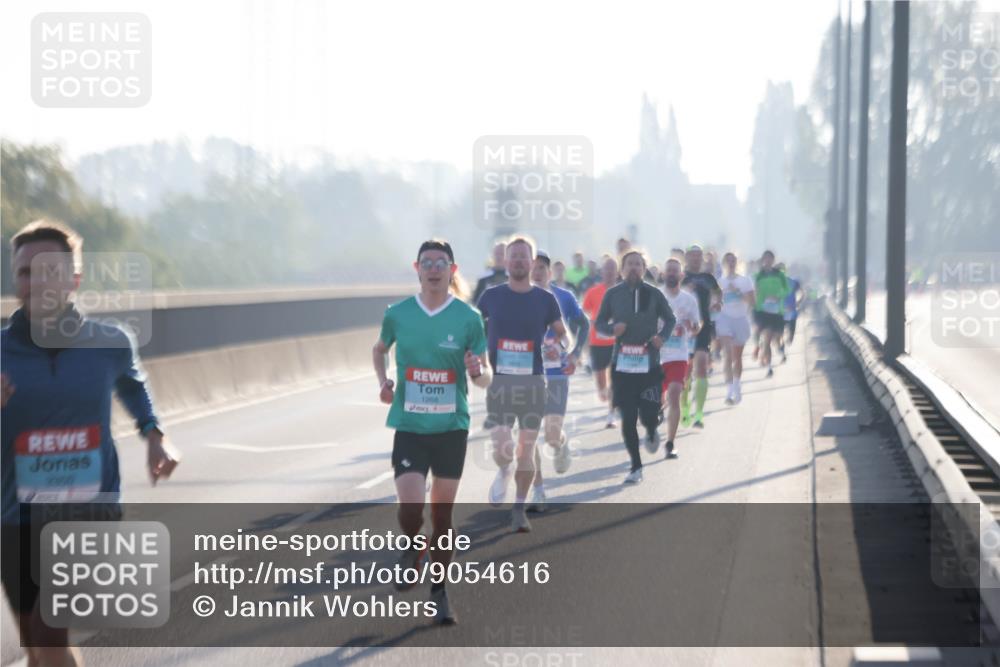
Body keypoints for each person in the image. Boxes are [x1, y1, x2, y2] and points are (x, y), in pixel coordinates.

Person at [2, 220, 180, 666]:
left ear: (74, 279)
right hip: (13, 513)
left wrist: (154, 436)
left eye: (49, 271)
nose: (36, 282)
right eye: (26, 272)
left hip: (88, 508)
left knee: (48, 629)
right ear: (14, 279)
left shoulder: (109, 342)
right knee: (37, 645)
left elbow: (134, 387)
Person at [373, 239, 491, 625]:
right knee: (409, 506)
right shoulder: (398, 314)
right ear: (417, 268)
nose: (435, 268)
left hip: (450, 428)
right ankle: (411, 547)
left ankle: (439, 592)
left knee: (442, 518)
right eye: (428, 262)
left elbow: (486, 376)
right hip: (409, 425)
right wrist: (384, 379)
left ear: (453, 270)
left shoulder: (468, 318)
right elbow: (380, 349)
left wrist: (477, 372)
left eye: (442, 262)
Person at [477, 238, 567, 533]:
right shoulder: (491, 296)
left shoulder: (545, 299)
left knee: (525, 450)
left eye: (523, 257)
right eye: (513, 256)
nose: (517, 261)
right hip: (500, 382)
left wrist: (561, 347)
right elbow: (473, 328)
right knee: (504, 449)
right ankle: (504, 469)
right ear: (505, 262)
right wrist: (474, 356)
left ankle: (519, 508)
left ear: (532, 263)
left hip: (532, 382)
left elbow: (563, 335)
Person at [594, 249, 675, 484]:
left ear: (644, 268)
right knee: (628, 417)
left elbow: (670, 319)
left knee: (648, 415)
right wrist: (611, 330)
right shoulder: (613, 294)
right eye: (629, 264)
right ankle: (636, 467)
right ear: (622, 269)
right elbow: (599, 322)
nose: (634, 268)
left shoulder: (654, 294)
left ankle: (651, 430)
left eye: (638, 264)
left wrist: (662, 337)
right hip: (622, 366)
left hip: (649, 365)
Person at [527, 252, 589, 512]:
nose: (537, 272)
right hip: (528, 374)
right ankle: (538, 490)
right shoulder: (518, 298)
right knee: (528, 435)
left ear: (549, 272)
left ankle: (560, 443)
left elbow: (583, 325)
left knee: (550, 435)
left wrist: (574, 354)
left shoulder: (563, 297)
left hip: (556, 374)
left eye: (541, 268)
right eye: (533, 267)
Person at [659, 259, 700, 458]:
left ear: (681, 275)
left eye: (676, 271)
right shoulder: (655, 296)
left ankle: (670, 442)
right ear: (663, 274)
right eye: (669, 271)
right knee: (654, 400)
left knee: (674, 394)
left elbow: (697, 325)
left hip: (679, 354)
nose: (672, 274)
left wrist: (693, 327)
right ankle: (658, 410)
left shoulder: (689, 299)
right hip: (656, 355)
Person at [680, 245, 721, 428]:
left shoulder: (708, 278)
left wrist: (717, 302)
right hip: (684, 329)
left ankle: (699, 414)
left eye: (699, 256)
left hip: (703, 326)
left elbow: (718, 293)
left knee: (702, 368)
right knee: (685, 373)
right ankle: (685, 409)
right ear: (686, 258)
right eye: (692, 256)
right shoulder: (681, 277)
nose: (696, 259)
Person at [582, 258, 620, 428]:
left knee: (615, 378)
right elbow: (585, 311)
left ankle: (611, 413)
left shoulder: (623, 291)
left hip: (618, 341)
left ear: (617, 272)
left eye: (613, 269)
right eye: (607, 269)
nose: (610, 272)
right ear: (602, 272)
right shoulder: (593, 291)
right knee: (601, 383)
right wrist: (592, 322)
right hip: (597, 341)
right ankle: (605, 396)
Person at [715, 252, 755, 404]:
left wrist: (738, 292)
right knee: (728, 354)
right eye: (728, 261)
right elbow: (715, 303)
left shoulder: (745, 281)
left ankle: (737, 385)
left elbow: (752, 302)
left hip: (741, 319)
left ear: (737, 263)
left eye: (733, 261)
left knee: (737, 357)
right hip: (725, 319)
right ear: (724, 263)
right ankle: (729, 391)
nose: (731, 263)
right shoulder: (720, 282)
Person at [753, 250, 790, 378]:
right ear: (763, 260)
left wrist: (778, 296)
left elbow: (787, 289)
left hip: (777, 311)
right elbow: (755, 291)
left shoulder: (779, 274)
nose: (767, 261)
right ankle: (769, 366)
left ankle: (779, 348)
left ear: (773, 260)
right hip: (763, 311)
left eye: (770, 258)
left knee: (777, 337)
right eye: (765, 258)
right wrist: (757, 301)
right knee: (767, 338)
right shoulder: (758, 275)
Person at [779, 264, 803, 363]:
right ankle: (783, 351)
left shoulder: (793, 282)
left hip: (792, 312)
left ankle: (787, 341)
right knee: (779, 334)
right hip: (780, 313)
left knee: (791, 337)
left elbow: (801, 292)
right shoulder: (774, 284)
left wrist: (799, 302)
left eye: (782, 270)